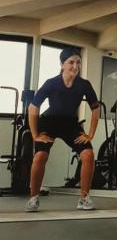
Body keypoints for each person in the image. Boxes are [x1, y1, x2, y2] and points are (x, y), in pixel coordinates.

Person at [25, 47, 100, 212]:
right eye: (71, 62)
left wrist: (90, 134)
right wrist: (35, 134)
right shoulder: (51, 83)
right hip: (49, 123)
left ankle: (84, 198)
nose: (75, 66)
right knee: (40, 156)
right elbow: (33, 107)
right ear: (62, 64)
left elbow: (95, 108)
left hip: (70, 124)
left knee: (88, 155)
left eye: (78, 62)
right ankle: (33, 198)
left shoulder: (84, 85)